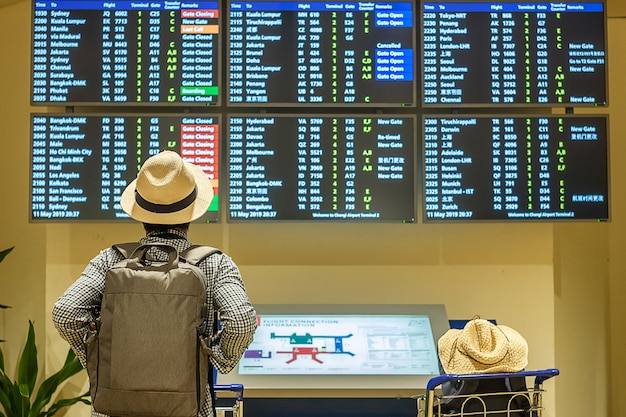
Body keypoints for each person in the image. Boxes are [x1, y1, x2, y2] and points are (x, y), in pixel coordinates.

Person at [52, 150, 257, 417]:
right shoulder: (215, 264)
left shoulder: (110, 260)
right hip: (189, 409)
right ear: (191, 213)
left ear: (141, 213)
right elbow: (241, 322)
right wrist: (215, 356)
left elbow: (65, 313)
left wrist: (96, 355)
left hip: (115, 409)